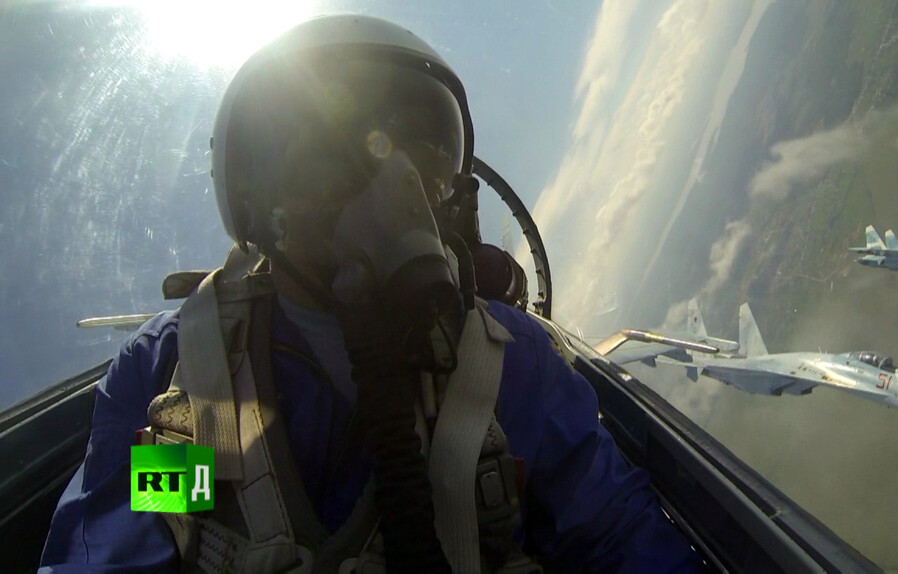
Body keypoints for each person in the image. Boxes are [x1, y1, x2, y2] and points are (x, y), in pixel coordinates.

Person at [39, 15, 702, 573]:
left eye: (423, 153)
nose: (397, 182)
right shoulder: (186, 377)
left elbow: (616, 535)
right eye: (336, 159)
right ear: (263, 202)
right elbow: (140, 538)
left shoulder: (508, 361)